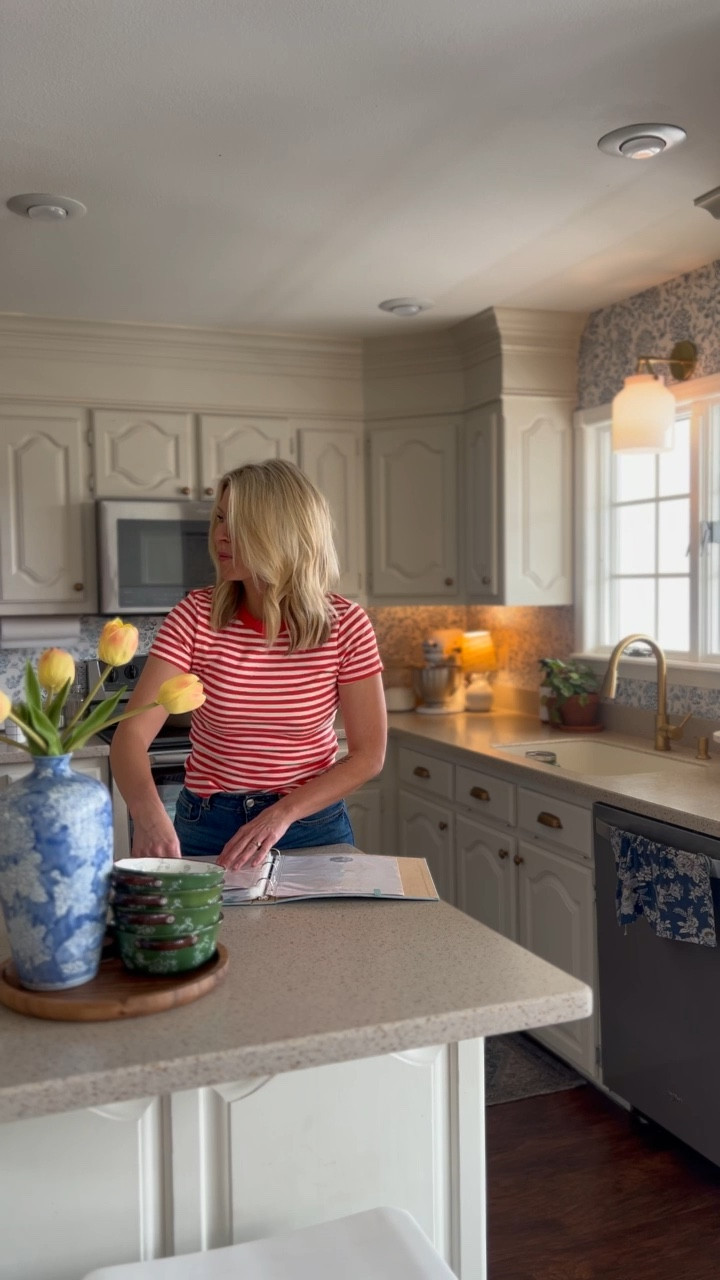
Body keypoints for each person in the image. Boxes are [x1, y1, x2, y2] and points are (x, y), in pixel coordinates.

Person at [110, 459, 386, 870]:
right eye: (220, 518)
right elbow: (130, 736)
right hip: (208, 826)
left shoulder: (345, 625)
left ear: (282, 533)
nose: (220, 535)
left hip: (311, 825)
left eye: (238, 524)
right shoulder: (195, 616)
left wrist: (280, 815)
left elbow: (368, 756)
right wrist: (148, 816)